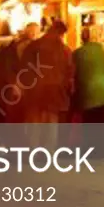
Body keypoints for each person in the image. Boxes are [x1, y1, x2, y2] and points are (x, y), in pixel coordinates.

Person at [22, 19, 73, 148]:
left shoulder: (33, 46)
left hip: (35, 92)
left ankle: (34, 153)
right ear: (61, 34)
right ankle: (48, 155)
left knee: (35, 125)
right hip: (54, 93)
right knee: (51, 125)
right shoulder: (65, 50)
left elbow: (24, 68)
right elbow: (70, 72)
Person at [0, 22, 39, 123]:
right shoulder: (23, 48)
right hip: (13, 92)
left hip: (10, 91)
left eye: (36, 34)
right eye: (34, 33)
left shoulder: (8, 49)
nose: (35, 37)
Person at [73, 26, 104, 123]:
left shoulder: (77, 53)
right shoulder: (100, 49)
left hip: (88, 95)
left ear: (81, 38)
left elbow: (72, 73)